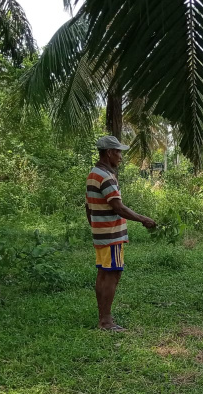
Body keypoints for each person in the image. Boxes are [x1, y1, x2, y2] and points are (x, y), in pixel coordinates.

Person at [85, 135, 156, 331]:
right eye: (118, 152)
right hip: (111, 235)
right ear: (109, 152)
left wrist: (95, 226)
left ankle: (104, 317)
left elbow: (88, 206)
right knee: (112, 275)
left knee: (103, 274)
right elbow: (119, 208)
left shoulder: (94, 173)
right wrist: (144, 219)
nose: (120, 157)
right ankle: (106, 321)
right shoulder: (106, 177)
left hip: (101, 233)